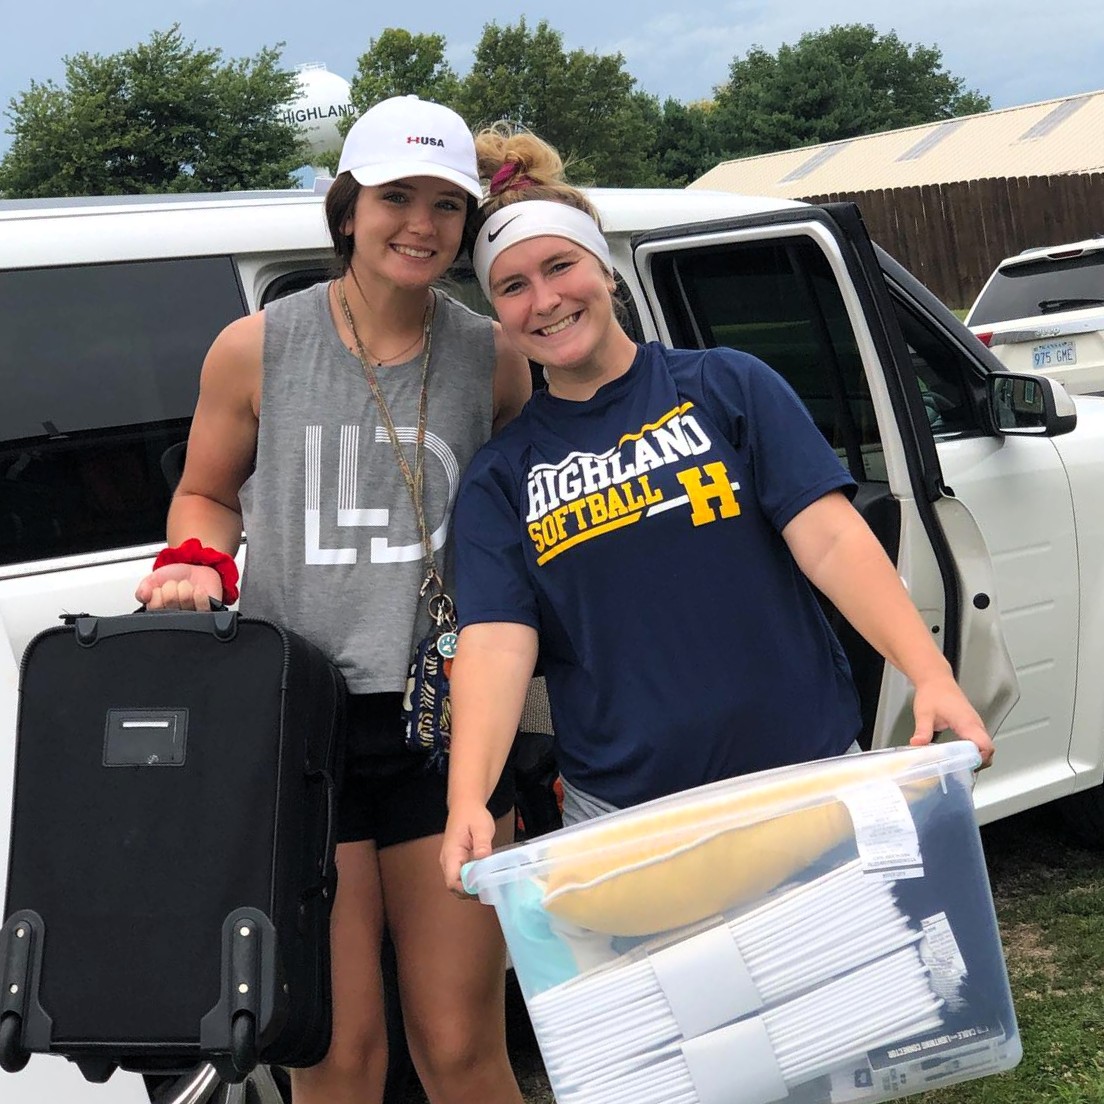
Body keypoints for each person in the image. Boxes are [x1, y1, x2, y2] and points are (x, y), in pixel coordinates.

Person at [440, 126, 994, 894]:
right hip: (628, 824)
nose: (545, 300)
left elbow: (831, 540)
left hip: (809, 785)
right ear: (496, 310)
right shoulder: (501, 477)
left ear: (603, 269)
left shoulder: (728, 387)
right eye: (513, 286)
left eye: (560, 266)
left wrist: (928, 672)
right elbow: (497, 646)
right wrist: (469, 793)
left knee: (845, 1010)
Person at [135, 97, 530, 1104]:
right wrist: (195, 561)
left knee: (459, 1047)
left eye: (447, 205)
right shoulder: (256, 347)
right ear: (347, 206)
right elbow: (209, 489)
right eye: (397, 196)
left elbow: (532, 515)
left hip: (449, 728)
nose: (422, 225)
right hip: (294, 729)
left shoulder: (495, 357)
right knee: (333, 1052)